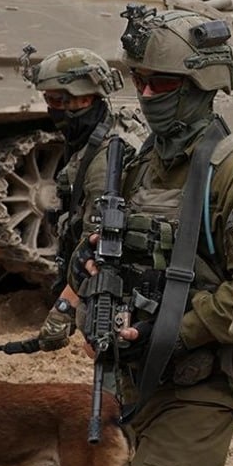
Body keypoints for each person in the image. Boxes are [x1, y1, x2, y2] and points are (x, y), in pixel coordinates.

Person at [68, 8, 233, 466]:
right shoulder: (137, 165)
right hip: (138, 388)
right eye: (140, 81)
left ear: (203, 84)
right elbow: (104, 258)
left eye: (163, 84)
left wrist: (174, 327)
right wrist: (89, 272)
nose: (147, 96)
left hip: (201, 391)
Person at [24, 47, 146, 352]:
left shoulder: (107, 159)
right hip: (111, 270)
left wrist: (62, 310)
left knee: (100, 346)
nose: (51, 109)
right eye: (48, 100)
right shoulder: (92, 136)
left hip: (121, 279)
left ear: (84, 99)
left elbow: (99, 245)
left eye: (57, 101)